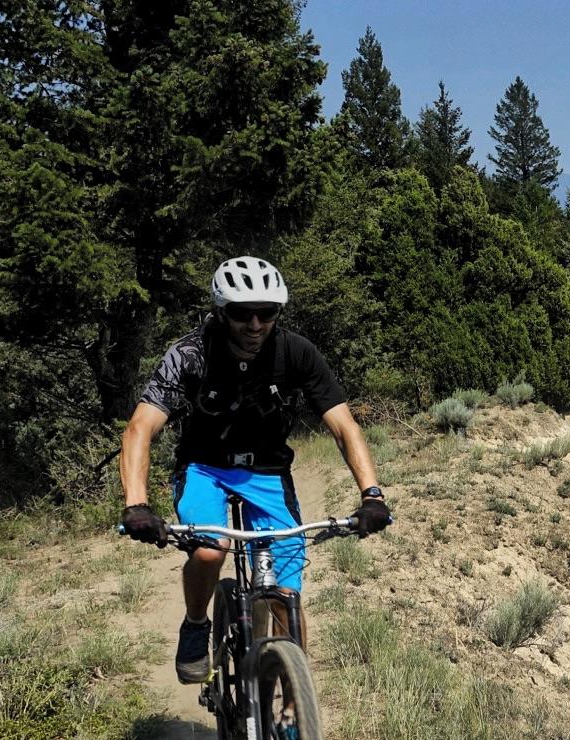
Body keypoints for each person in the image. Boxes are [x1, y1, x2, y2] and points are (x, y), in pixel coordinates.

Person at [119, 256, 392, 682]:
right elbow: (140, 428)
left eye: (266, 313)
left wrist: (372, 494)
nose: (254, 324)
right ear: (219, 312)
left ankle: (284, 704)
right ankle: (196, 624)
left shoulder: (296, 352)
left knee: (286, 593)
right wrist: (136, 503)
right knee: (211, 549)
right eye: (240, 313)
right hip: (204, 467)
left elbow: (343, 426)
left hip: (267, 471)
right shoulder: (190, 355)